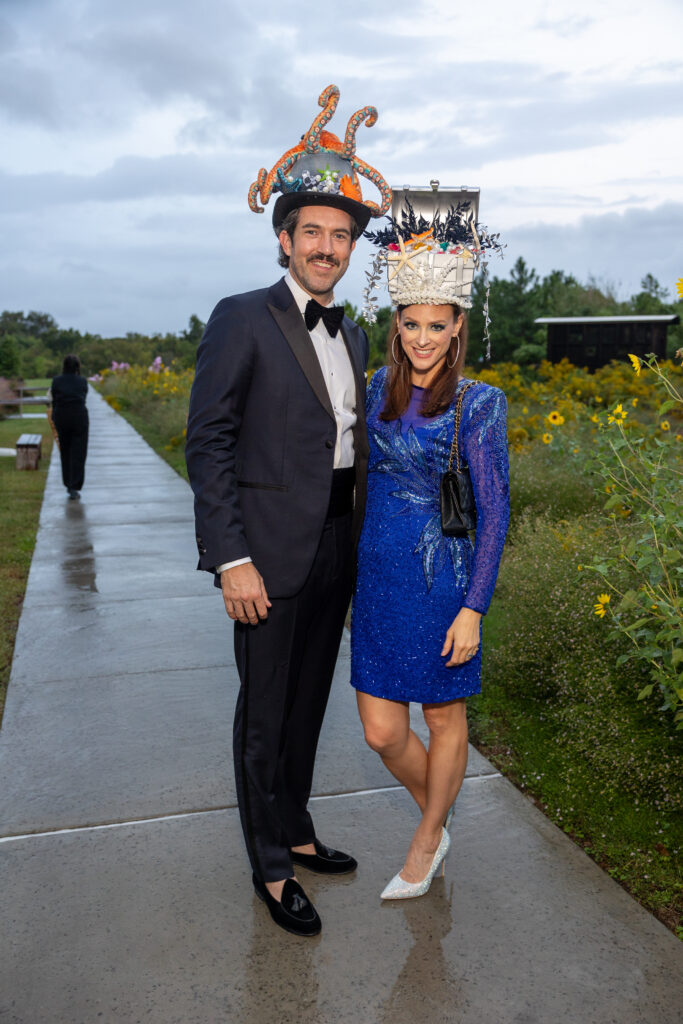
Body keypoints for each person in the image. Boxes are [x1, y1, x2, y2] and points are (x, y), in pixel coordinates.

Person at [185, 85, 392, 937]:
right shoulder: (242, 319)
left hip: (337, 546)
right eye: (312, 231)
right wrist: (230, 557)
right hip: (266, 555)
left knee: (309, 706)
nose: (326, 247)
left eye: (340, 236)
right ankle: (270, 869)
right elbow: (210, 445)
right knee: (263, 715)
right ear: (284, 239)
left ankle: (296, 830)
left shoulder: (352, 334)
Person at [351, 184, 509, 899]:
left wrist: (473, 607)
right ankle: (438, 818)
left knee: (443, 716)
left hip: (442, 581)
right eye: (410, 324)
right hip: (377, 583)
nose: (421, 338)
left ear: (455, 327)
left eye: (435, 326)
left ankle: (423, 841)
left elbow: (495, 511)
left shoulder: (479, 403)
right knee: (381, 731)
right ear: (397, 324)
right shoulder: (376, 384)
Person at [47, 354, 89, 499]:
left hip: (62, 417)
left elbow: (54, 400)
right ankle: (74, 486)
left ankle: (68, 483)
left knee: (65, 451)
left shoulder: (56, 380)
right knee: (79, 452)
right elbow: (83, 397)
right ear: (77, 366)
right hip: (79, 418)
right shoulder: (82, 381)